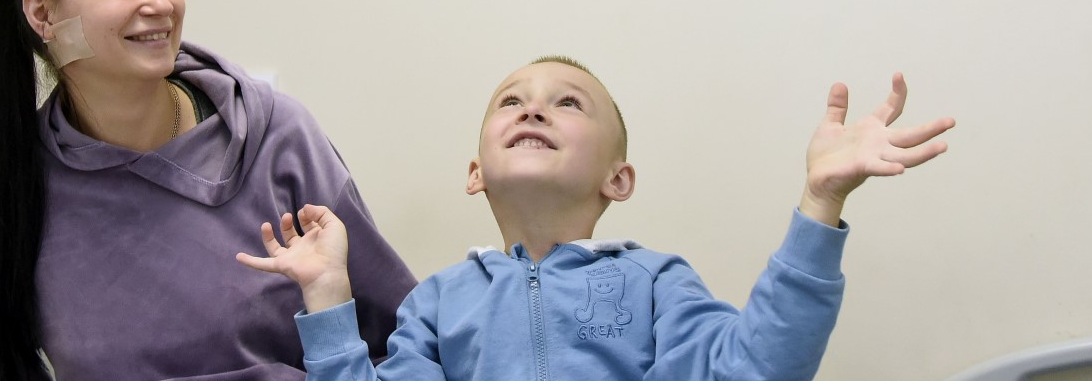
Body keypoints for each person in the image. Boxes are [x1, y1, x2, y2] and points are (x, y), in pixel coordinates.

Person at [238, 56, 956, 381]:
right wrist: (329, 298)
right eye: (511, 101)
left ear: (620, 179)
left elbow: (757, 369)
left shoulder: (655, 283)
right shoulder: (437, 303)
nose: (533, 108)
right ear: (474, 174)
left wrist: (820, 202)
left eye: (568, 102)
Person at [0, 0, 417, 381]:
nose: (160, 2)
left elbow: (405, 338)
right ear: (43, 15)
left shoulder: (280, 139)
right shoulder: (18, 176)